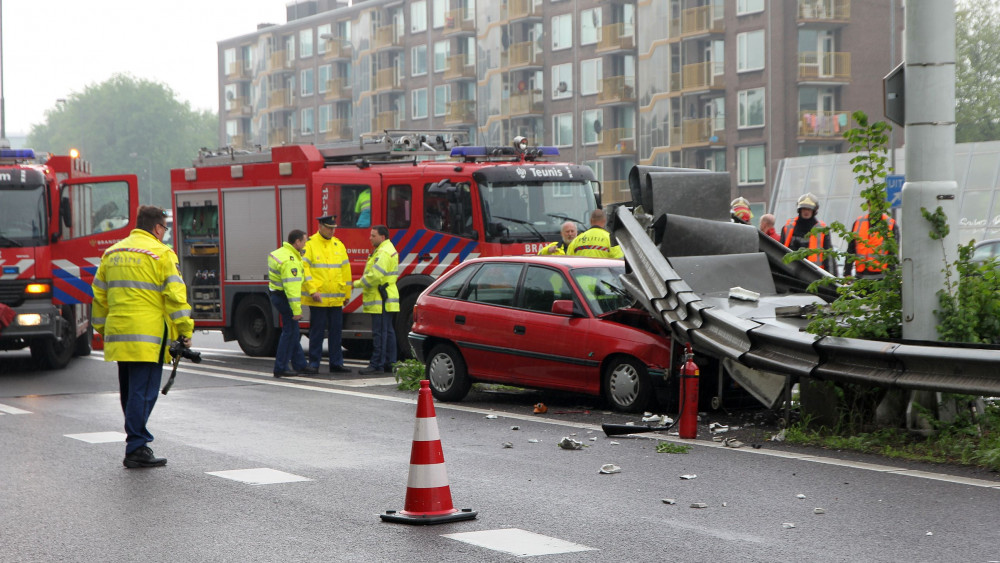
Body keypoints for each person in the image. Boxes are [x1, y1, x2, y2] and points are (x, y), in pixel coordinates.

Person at [91, 205, 193, 469]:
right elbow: (175, 297)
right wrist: (185, 330)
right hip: (147, 337)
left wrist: (104, 330)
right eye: (164, 229)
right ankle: (136, 446)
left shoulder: (112, 253)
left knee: (129, 391)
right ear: (158, 228)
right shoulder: (161, 254)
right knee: (143, 392)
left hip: (118, 333)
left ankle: (136, 442)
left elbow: (99, 297)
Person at [302, 215, 352, 374]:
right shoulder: (310, 245)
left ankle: (336, 363)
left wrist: (347, 294)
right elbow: (305, 270)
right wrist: (312, 290)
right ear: (320, 226)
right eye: (329, 228)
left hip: (336, 298)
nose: (332, 231)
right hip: (319, 298)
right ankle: (314, 363)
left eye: (334, 228)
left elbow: (346, 271)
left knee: (336, 333)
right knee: (316, 332)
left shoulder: (339, 245)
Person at [354, 225, 399, 375]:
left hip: (380, 298)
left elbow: (375, 276)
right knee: (388, 332)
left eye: (373, 235)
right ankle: (389, 362)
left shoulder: (383, 252)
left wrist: (356, 284)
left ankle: (377, 364)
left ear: (382, 237)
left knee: (380, 333)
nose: (370, 238)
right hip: (386, 296)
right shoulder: (386, 249)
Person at [269, 229, 309, 378]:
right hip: (285, 298)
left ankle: (300, 364)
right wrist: (297, 311)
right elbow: (292, 289)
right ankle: (280, 367)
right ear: (297, 242)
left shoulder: (281, 252)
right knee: (289, 332)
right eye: (304, 241)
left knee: (293, 331)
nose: (305, 245)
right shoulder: (290, 260)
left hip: (277, 294)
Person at [780, 192, 835, 272]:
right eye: (804, 208)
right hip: (791, 272)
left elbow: (828, 256)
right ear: (799, 209)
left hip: (815, 274)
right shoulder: (788, 228)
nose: (806, 211)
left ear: (814, 210)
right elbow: (780, 251)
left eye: (809, 209)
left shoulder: (822, 229)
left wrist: (831, 278)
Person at [844, 212, 899, 278]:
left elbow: (893, 253)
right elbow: (851, 249)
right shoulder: (858, 222)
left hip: (882, 276)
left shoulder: (890, 224)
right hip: (861, 276)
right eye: (871, 204)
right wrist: (847, 272)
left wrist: (891, 274)